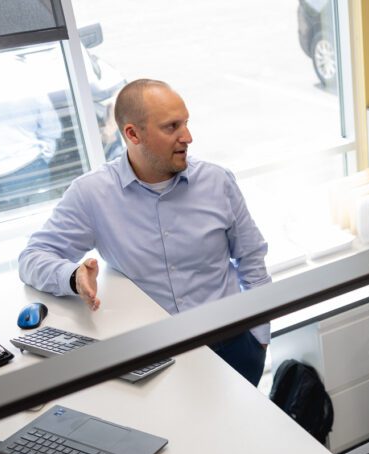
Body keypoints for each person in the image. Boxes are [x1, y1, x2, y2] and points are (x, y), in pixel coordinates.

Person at [19, 79, 271, 385]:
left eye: (186, 123)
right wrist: (73, 276)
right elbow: (32, 258)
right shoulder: (92, 194)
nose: (188, 137)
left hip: (234, 345)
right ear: (132, 134)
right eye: (171, 127)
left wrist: (259, 338)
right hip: (157, 359)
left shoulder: (217, 181)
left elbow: (252, 257)